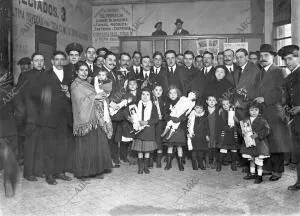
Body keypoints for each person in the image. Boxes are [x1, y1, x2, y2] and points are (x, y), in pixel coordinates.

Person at [254, 44, 292, 181]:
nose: (263, 58)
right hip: (262, 112)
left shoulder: (279, 71)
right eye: (261, 56)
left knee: (277, 141)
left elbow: (283, 92)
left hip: (275, 111)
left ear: (273, 57)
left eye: (266, 55)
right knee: (265, 141)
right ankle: (268, 168)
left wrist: (266, 99)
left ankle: (277, 170)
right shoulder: (259, 72)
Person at [71, 61, 112, 179]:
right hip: (84, 120)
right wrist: (95, 97)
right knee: (85, 146)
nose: (84, 73)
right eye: (81, 70)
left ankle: (96, 171)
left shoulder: (86, 83)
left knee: (96, 145)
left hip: (94, 117)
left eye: (85, 70)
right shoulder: (75, 85)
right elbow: (80, 102)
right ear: (76, 72)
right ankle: (83, 173)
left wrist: (101, 97)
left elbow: (93, 96)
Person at [38, 51, 73, 185]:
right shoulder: (45, 75)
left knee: (62, 145)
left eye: (61, 59)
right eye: (56, 59)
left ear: (65, 61)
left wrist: (68, 92)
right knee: (49, 146)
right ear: (52, 61)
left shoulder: (69, 75)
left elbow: (73, 95)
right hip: (49, 117)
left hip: (64, 117)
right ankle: (49, 174)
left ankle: (60, 172)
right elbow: (40, 96)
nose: (59, 62)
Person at [16, 53, 45, 181]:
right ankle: (28, 172)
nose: (39, 63)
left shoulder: (47, 75)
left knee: (41, 144)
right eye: (36, 60)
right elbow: (18, 96)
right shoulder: (25, 75)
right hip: (30, 116)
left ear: (44, 62)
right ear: (32, 63)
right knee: (30, 145)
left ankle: (38, 170)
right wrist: (23, 113)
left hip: (44, 116)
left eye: (41, 60)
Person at [278, 45, 300, 190]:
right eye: (285, 60)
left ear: (298, 57)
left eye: (290, 58)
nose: (288, 62)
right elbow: (287, 97)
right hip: (296, 121)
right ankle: (299, 181)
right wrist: (286, 106)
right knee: (298, 152)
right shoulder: (289, 77)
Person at [240, 101, 270, 184]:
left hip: (259, 144)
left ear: (259, 110)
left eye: (256, 110)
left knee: (259, 160)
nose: (254, 112)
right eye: (252, 110)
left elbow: (267, 130)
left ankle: (259, 176)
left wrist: (258, 135)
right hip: (249, 143)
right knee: (251, 159)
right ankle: (252, 173)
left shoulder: (262, 120)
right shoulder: (246, 120)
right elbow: (242, 130)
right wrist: (243, 134)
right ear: (248, 111)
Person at [131, 88, 158, 174]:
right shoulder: (136, 105)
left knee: (147, 150)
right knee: (140, 150)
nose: (145, 96)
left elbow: (156, 119)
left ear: (150, 96)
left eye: (147, 94)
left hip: (148, 130)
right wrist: (134, 121)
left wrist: (147, 122)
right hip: (139, 130)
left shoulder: (153, 106)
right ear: (140, 95)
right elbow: (129, 113)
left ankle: (146, 167)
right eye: (143, 94)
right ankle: (140, 167)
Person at [163, 86, 187, 171]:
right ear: (168, 95)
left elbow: (185, 115)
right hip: (170, 127)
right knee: (170, 146)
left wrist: (179, 119)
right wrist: (169, 117)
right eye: (170, 93)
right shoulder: (167, 103)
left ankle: (180, 164)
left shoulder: (181, 102)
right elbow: (165, 114)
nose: (172, 95)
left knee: (179, 146)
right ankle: (169, 163)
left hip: (179, 127)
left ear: (178, 94)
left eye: (174, 93)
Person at [234, 48, 260, 120]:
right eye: (237, 57)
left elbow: (255, 90)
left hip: (248, 108)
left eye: (241, 57)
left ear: (246, 57)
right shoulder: (237, 71)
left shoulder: (254, 70)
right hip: (237, 108)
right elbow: (236, 89)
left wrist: (240, 102)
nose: (238, 59)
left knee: (248, 130)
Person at [216, 95, 240, 172]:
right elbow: (219, 124)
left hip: (233, 132)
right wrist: (225, 127)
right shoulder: (221, 112)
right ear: (221, 105)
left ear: (230, 104)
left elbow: (239, 122)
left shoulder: (234, 111)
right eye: (223, 104)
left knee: (234, 149)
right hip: (225, 132)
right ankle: (219, 164)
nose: (225, 106)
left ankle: (233, 163)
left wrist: (235, 118)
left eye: (227, 104)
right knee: (223, 149)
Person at [187, 101, 210, 170]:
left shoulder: (205, 117)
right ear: (194, 108)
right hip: (193, 136)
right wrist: (188, 133)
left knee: (200, 151)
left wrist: (207, 135)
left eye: (201, 108)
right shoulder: (191, 116)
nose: (199, 109)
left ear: (203, 109)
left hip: (202, 136)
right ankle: (194, 165)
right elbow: (187, 126)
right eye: (197, 108)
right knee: (194, 151)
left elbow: (207, 127)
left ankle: (200, 164)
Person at [94, 70, 113, 139]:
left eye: (103, 75)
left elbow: (98, 90)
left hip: (104, 102)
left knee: (106, 118)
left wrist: (96, 79)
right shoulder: (99, 82)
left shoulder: (108, 83)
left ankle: (109, 133)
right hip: (98, 104)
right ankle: (105, 132)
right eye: (100, 75)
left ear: (106, 76)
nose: (101, 76)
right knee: (100, 120)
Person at [152, 84, 165, 168]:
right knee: (151, 140)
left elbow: (162, 115)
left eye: (160, 90)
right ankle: (150, 160)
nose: (158, 92)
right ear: (153, 91)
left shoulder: (164, 101)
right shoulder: (150, 100)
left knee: (159, 141)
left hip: (160, 123)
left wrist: (158, 106)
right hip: (152, 123)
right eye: (156, 90)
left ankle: (158, 160)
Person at [206, 94, 218, 169]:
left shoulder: (218, 111)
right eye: (210, 100)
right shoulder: (204, 111)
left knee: (214, 148)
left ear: (216, 102)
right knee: (207, 148)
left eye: (213, 100)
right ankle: (207, 162)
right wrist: (206, 134)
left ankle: (214, 162)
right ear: (207, 101)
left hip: (215, 132)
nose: (212, 102)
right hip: (207, 132)